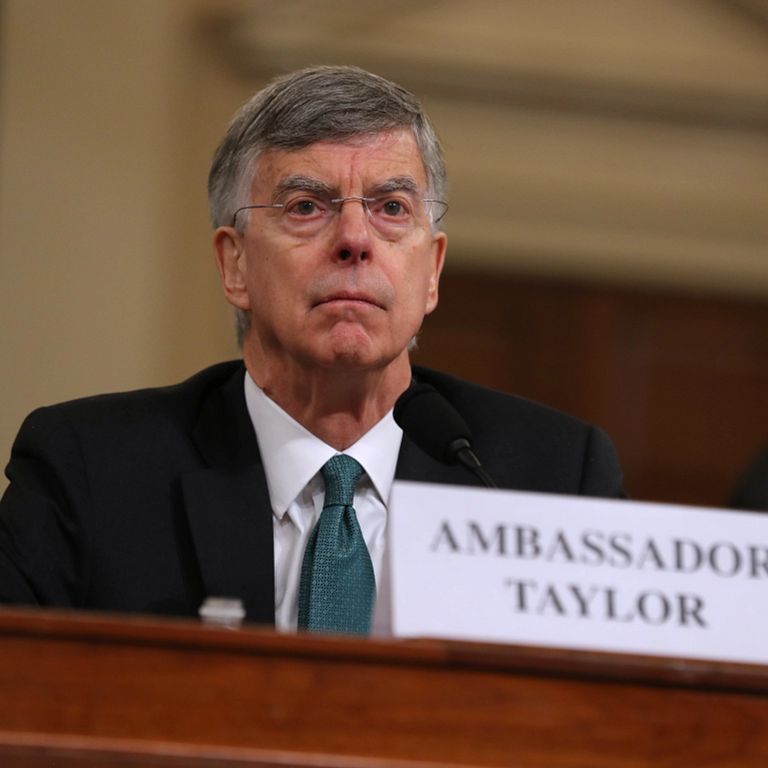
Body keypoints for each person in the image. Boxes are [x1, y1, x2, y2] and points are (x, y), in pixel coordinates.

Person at [0, 65, 624, 634]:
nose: (355, 239)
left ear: (431, 272)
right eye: (305, 207)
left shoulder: (550, 481)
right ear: (234, 263)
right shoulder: (89, 472)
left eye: (390, 208)